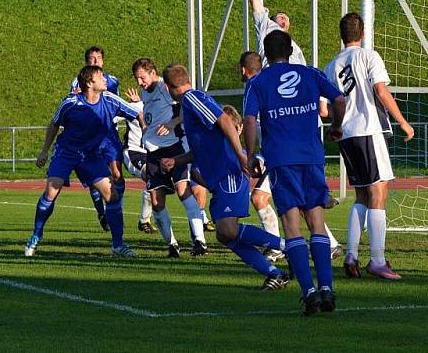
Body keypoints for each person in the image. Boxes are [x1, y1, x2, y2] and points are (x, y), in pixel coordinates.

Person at [161, 64, 290, 290]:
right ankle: (274, 273)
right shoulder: (190, 106)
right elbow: (202, 149)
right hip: (219, 178)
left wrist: (242, 157)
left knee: (228, 230)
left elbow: (225, 121)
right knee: (224, 236)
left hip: (229, 174)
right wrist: (177, 161)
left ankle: (289, 246)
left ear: (168, 87)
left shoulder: (192, 98)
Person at [243, 30, 346, 315]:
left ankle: (309, 292)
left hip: (281, 160)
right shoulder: (310, 73)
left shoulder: (258, 82)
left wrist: (250, 155)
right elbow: (339, 100)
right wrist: (337, 128)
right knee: (316, 220)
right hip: (312, 157)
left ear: (265, 54)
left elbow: (250, 119)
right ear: (290, 50)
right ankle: (327, 288)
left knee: (291, 226)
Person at [324, 12, 415, 280]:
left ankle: (351, 254)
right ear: (361, 33)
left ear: (342, 36)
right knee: (378, 194)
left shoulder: (332, 66)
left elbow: (325, 109)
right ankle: (377, 260)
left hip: (347, 135)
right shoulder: (369, 56)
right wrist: (403, 122)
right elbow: (381, 91)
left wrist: (336, 125)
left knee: (362, 195)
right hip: (369, 129)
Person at [25, 65, 140, 257]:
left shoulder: (110, 100)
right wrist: (44, 150)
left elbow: (137, 113)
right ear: (89, 83)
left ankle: (118, 246)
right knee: (52, 190)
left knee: (112, 195)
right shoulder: (70, 103)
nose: (105, 79)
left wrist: (146, 133)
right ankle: (36, 236)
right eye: (100, 76)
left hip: (90, 155)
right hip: (66, 152)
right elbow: (54, 123)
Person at [240, 50, 343, 262]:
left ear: (243, 69)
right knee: (303, 205)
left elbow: (255, 123)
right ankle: (327, 247)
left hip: (285, 157)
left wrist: (250, 156)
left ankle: (280, 247)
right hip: (288, 155)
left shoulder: (260, 88)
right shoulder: (272, 84)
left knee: (262, 198)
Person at [133, 57, 207, 257]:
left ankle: (200, 241)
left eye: (142, 77)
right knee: (156, 201)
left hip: (175, 147)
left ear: (153, 72)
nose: (140, 82)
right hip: (153, 152)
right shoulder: (144, 92)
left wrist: (173, 123)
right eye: (137, 79)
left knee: (183, 190)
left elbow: (188, 107)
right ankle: (172, 245)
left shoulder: (166, 88)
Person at [69, 46, 123, 233]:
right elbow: (72, 102)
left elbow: (118, 104)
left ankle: (114, 211)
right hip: (90, 136)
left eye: (98, 58)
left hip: (109, 133)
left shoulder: (112, 81)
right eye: (91, 59)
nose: (95, 62)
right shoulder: (78, 81)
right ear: (86, 62)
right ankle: (102, 212)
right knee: (95, 178)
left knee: (116, 174)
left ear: (103, 61)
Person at [123, 87, 156, 234]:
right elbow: (112, 115)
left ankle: (145, 221)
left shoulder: (160, 108)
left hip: (152, 153)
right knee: (151, 175)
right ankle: (144, 221)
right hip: (134, 152)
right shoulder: (134, 107)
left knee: (158, 180)